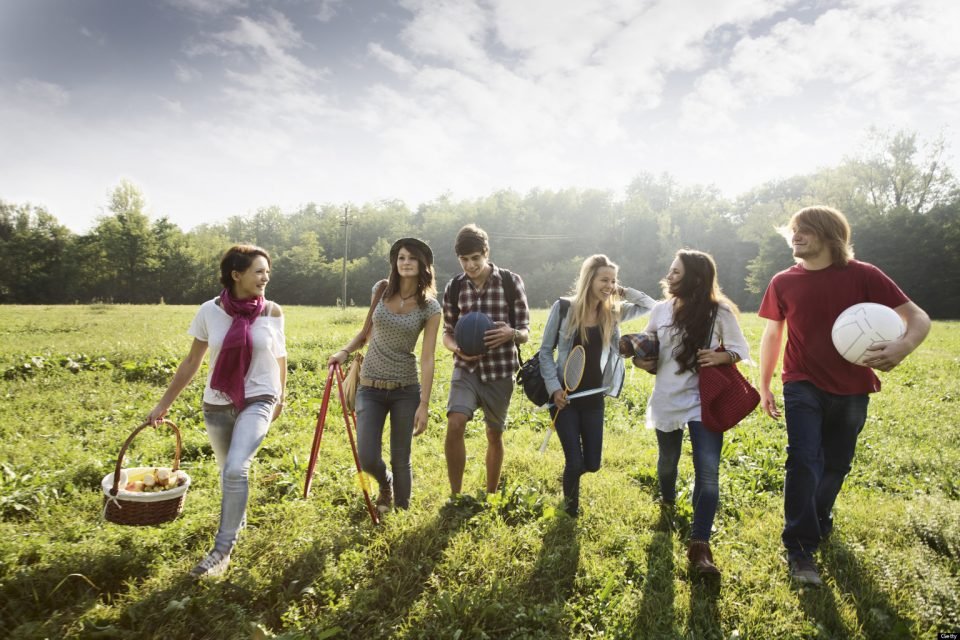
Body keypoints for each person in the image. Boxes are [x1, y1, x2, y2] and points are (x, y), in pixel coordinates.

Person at [758, 206, 930, 586]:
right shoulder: (783, 282)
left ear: (829, 235)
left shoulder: (864, 276)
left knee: (837, 463)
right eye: (793, 230)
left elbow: (918, 318)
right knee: (803, 458)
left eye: (805, 230)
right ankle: (800, 548)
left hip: (853, 388)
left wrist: (902, 348)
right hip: (801, 382)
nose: (795, 237)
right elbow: (773, 335)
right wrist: (765, 383)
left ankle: (818, 517)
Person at [148, 245, 286, 579]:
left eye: (267, 271)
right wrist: (163, 403)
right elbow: (192, 362)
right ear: (236, 275)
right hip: (218, 402)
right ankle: (237, 519)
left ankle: (221, 551)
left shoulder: (272, 311)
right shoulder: (210, 311)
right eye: (258, 271)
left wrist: (281, 396)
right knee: (229, 472)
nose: (265, 277)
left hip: (260, 397)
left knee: (237, 469)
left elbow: (280, 356)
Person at [634, 249, 750, 577]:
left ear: (696, 278)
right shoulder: (661, 310)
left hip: (705, 399)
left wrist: (722, 357)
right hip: (668, 397)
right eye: (670, 271)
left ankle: (700, 547)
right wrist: (641, 360)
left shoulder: (720, 312)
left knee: (708, 472)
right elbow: (649, 348)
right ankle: (667, 502)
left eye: (675, 273)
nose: (668, 277)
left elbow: (740, 349)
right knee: (668, 462)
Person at [327, 238, 441, 513]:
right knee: (367, 456)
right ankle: (385, 483)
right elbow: (366, 332)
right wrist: (344, 352)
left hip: (406, 389)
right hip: (370, 386)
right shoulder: (381, 290)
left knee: (402, 457)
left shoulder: (431, 308)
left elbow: (427, 359)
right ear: (395, 262)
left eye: (412, 258)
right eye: (401, 257)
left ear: (423, 264)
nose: (406, 262)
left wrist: (424, 405)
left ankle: (401, 510)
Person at [540, 254, 655, 517]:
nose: (609, 285)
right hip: (564, 398)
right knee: (575, 460)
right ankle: (570, 511)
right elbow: (546, 352)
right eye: (604, 279)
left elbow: (651, 305)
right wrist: (554, 389)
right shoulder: (563, 308)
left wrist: (624, 291)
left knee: (592, 464)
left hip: (594, 398)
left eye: (614, 280)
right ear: (589, 279)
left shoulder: (613, 311)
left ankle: (570, 480)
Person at [442, 224, 530, 498]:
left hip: (500, 371)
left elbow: (525, 332)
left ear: (486, 253)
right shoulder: (455, 287)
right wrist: (458, 349)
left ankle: (490, 495)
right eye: (464, 260)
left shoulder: (509, 282)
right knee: (455, 423)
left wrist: (510, 333)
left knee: (494, 434)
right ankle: (455, 496)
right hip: (466, 368)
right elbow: (447, 333)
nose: (470, 265)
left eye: (475, 258)